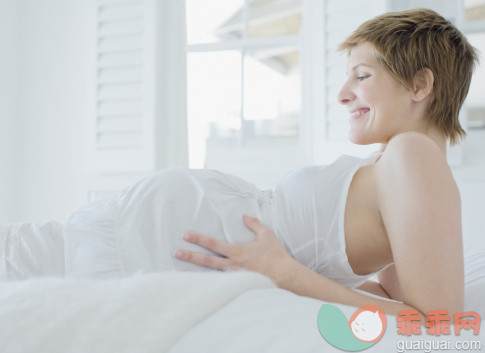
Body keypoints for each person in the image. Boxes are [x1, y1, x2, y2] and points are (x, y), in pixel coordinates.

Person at [46, 8, 480, 320]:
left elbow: (436, 324)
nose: (342, 94)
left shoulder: (413, 155)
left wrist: (286, 274)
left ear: (421, 83)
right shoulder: (400, 162)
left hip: (160, 248)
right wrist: (288, 275)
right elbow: (390, 294)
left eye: (362, 76)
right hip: (157, 239)